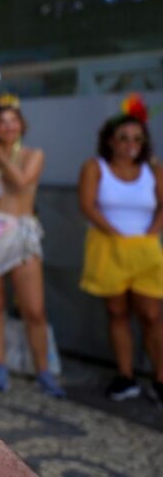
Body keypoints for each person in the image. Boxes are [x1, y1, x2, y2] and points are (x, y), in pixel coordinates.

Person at [0, 95, 64, 397]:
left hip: (21, 234)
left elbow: (21, 183)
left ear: (22, 124)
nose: (9, 126)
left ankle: (43, 371)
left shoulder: (34, 155)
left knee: (34, 309)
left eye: (14, 120)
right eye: (2, 121)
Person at [77, 94, 163, 402]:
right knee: (117, 313)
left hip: (145, 249)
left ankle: (159, 378)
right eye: (124, 137)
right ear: (110, 140)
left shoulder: (153, 169)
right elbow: (87, 205)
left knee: (152, 315)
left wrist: (152, 233)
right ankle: (126, 376)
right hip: (107, 246)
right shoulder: (95, 167)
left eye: (137, 138)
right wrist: (115, 233)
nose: (131, 144)